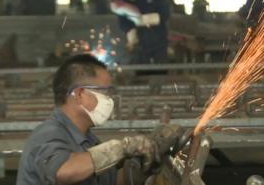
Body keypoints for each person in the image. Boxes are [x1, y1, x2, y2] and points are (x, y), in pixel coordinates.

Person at [16, 54, 183, 185]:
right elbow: (63, 172)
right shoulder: (47, 134)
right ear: (80, 94)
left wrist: (145, 164)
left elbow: (109, 181)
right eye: (104, 92)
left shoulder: (88, 140)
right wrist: (122, 147)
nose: (109, 99)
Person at [111, 0, 170, 64]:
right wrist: (131, 35)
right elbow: (123, 22)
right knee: (141, 71)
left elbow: (165, 14)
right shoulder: (124, 1)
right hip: (140, 45)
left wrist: (143, 20)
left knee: (161, 69)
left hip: (158, 40)